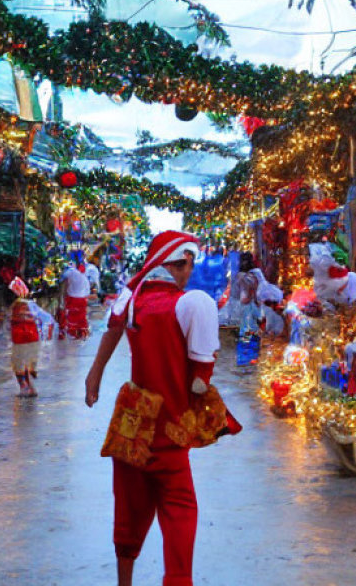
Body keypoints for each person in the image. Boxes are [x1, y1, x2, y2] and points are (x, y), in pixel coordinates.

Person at [85, 230, 239, 586]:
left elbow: (112, 329)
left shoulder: (134, 297)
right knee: (180, 507)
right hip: (168, 425)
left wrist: (95, 375)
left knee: (128, 505)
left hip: (133, 419)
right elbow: (202, 368)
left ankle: (125, 581)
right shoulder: (187, 303)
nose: (189, 272)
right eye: (188, 265)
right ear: (177, 263)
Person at [8, 278, 43, 398]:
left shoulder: (16, 306)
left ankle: (24, 387)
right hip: (33, 339)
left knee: (17, 365)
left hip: (21, 340)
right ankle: (31, 388)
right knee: (27, 365)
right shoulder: (30, 305)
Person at [59, 261, 91, 339]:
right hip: (83, 299)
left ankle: (68, 334)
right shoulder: (84, 275)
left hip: (72, 298)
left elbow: (64, 285)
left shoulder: (69, 272)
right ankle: (82, 334)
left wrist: (61, 299)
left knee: (69, 317)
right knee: (81, 317)